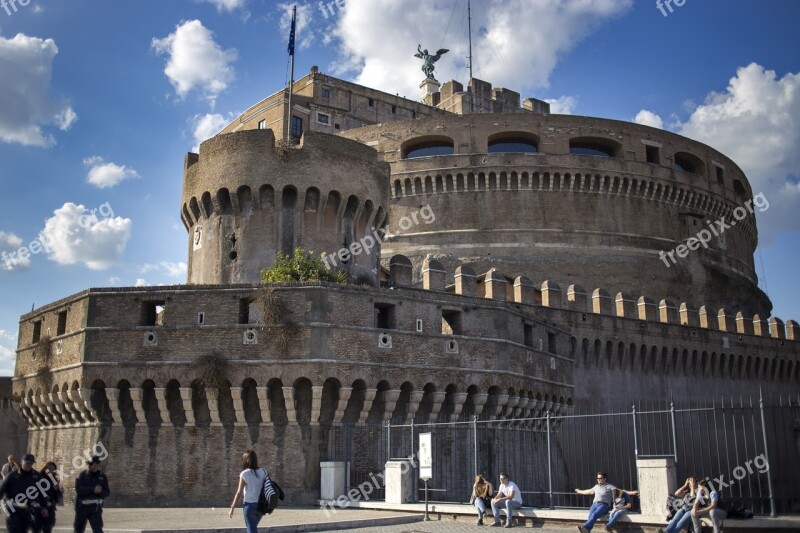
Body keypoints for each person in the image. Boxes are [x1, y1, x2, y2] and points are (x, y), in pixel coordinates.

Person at [0, 453, 48, 533]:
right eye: (27, 463)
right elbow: (2, 490)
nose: (29, 465)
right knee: (14, 529)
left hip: (27, 509)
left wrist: (44, 507)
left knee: (24, 530)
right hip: (13, 508)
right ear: (22, 462)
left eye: (31, 463)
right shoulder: (12, 475)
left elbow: (42, 493)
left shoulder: (36, 476)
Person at [230, 450, 268, 533]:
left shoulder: (244, 474)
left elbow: (239, 492)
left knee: (251, 530)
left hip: (249, 506)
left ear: (245, 460)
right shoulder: (264, 471)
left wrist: (233, 507)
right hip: (261, 507)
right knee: (251, 529)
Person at [74, 456, 110, 533]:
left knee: (97, 530)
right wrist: (93, 489)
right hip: (82, 507)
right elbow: (79, 489)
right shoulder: (82, 475)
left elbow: (107, 492)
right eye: (88, 464)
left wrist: (100, 491)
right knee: (78, 529)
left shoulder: (102, 476)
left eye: (91, 464)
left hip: (95, 508)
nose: (89, 466)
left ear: (97, 465)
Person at [32, 461, 62, 533]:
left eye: (52, 469)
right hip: (38, 508)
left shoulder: (54, 480)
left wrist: (57, 490)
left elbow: (58, 496)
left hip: (49, 508)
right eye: (49, 469)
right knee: (36, 529)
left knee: (48, 528)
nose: (50, 471)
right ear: (45, 469)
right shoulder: (38, 478)